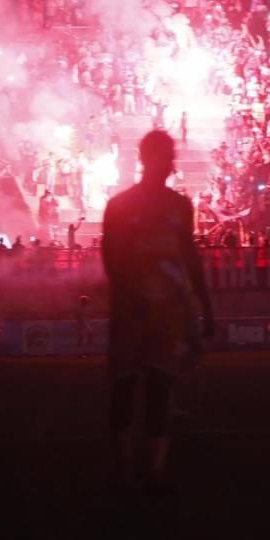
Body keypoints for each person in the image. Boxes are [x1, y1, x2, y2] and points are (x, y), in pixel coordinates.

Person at [101, 129, 214, 493]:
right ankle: (126, 467)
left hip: (160, 314)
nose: (171, 162)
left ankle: (151, 470)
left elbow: (190, 257)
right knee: (127, 389)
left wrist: (204, 305)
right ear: (148, 159)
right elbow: (110, 257)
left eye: (171, 155)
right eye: (166, 155)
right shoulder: (121, 206)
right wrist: (133, 292)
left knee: (157, 389)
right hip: (136, 312)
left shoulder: (178, 206)